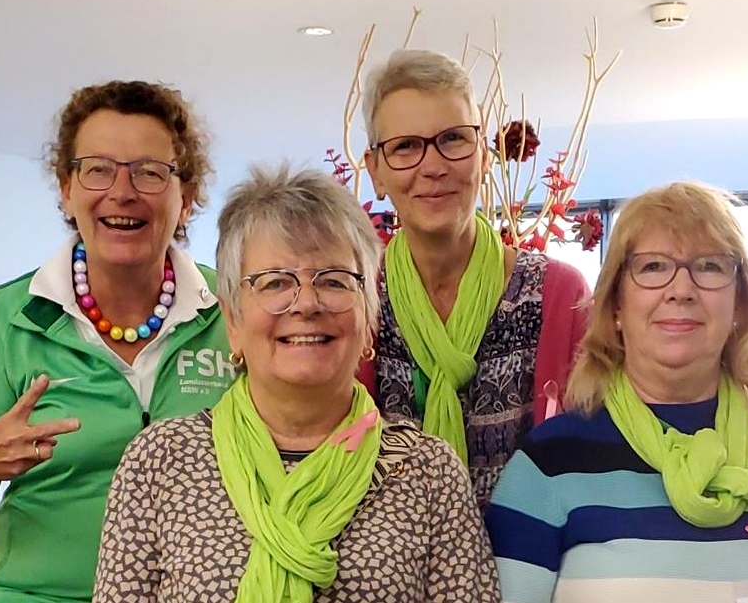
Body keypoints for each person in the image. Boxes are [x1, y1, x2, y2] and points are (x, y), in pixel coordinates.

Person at [93, 166, 500, 602]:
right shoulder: (161, 461)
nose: (306, 303)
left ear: (369, 320)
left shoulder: (428, 472)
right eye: (275, 282)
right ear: (232, 322)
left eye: (334, 281)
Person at [0, 81, 236, 603]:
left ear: (187, 196)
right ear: (66, 188)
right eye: (98, 169)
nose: (122, 192)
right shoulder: (9, 319)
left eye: (149, 172)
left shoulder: (236, 310)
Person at [486, 181, 748, 602]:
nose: (681, 290)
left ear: (740, 304)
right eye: (653, 266)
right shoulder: (549, 464)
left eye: (710, 266)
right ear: (615, 306)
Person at [361, 48, 591, 506]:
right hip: (387, 551)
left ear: (484, 156)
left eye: (453, 139)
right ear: (376, 172)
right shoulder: (354, 298)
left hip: (534, 547)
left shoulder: (557, 296)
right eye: (405, 147)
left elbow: (589, 461)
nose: (433, 166)